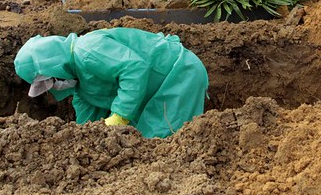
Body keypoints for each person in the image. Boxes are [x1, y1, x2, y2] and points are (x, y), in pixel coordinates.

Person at [14, 28, 209, 138]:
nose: (55, 86)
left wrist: (121, 115)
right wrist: (84, 139)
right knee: (138, 140)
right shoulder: (81, 88)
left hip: (179, 76)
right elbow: (87, 123)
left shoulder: (88, 50)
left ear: (53, 65)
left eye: (51, 81)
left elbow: (134, 68)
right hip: (157, 91)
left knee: (160, 141)